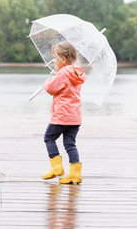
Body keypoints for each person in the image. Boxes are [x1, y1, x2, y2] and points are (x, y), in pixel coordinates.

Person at [42, 41, 86, 184]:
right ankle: (75, 175)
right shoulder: (76, 72)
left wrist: (48, 80)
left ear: (64, 59)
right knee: (70, 144)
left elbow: (51, 89)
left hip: (61, 116)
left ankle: (56, 168)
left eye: (55, 58)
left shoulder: (62, 73)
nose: (54, 61)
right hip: (74, 117)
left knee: (49, 138)